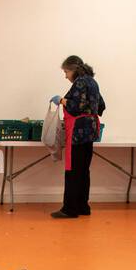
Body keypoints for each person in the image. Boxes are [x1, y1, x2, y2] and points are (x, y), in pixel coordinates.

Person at [50, 55, 105, 219]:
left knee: (73, 170)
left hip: (77, 132)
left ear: (73, 69)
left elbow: (75, 106)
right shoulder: (93, 82)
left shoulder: (80, 82)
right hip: (90, 132)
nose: (65, 75)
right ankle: (83, 206)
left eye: (66, 71)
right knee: (83, 170)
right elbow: (101, 106)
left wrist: (61, 100)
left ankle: (70, 209)